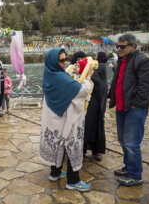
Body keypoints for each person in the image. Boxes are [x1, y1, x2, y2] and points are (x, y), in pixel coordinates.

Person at [39, 48, 94, 192]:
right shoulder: (60, 77)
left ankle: (55, 173)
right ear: (54, 61)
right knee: (71, 144)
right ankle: (73, 180)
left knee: (56, 142)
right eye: (61, 60)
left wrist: (72, 74)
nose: (65, 63)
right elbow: (82, 91)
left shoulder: (50, 72)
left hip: (52, 117)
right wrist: (87, 78)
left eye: (66, 59)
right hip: (65, 117)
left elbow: (65, 80)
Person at [108, 34, 149, 186]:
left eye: (122, 46)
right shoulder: (122, 60)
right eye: (117, 46)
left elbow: (145, 85)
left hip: (134, 109)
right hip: (121, 107)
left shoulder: (143, 61)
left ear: (133, 46)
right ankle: (129, 167)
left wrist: (137, 104)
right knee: (123, 140)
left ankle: (136, 175)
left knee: (132, 142)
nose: (118, 49)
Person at [84, 52, 108, 161]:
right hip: (94, 98)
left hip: (96, 98)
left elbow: (94, 79)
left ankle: (96, 150)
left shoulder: (100, 66)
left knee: (94, 125)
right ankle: (90, 149)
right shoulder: (101, 66)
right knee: (90, 125)